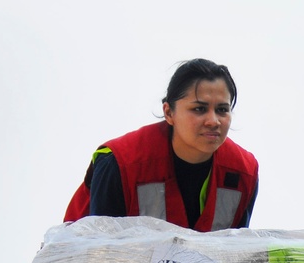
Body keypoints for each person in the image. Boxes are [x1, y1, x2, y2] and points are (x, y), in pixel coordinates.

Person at [63, 58, 258, 231]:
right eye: (199, 108)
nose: (213, 121)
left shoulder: (245, 171)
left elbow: (235, 253)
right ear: (168, 113)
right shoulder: (119, 163)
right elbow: (100, 254)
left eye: (222, 110)